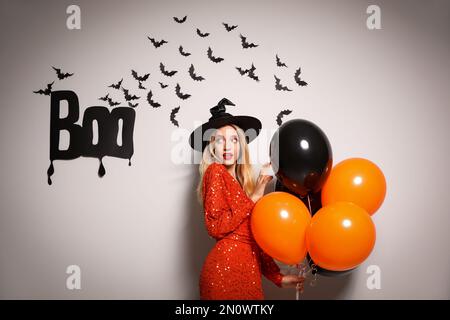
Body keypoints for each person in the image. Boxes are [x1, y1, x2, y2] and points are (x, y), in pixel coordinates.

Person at [189, 98, 304, 300]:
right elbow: (215, 227)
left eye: (233, 140)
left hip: (249, 273)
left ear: (241, 145)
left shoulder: (242, 188)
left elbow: (254, 238)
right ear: (212, 146)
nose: (227, 146)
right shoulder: (215, 172)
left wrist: (278, 278)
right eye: (219, 140)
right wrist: (258, 191)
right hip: (223, 273)